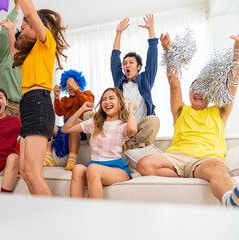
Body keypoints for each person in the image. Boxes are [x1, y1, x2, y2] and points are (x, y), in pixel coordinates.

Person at [137, 33, 239, 207]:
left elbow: (233, 82)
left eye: (202, 89)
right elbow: (174, 84)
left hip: (206, 159)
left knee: (219, 170)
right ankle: (186, 176)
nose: (198, 92)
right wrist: (168, 50)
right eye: (194, 88)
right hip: (176, 157)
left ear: (211, 93)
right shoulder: (181, 110)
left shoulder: (220, 111)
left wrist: (237, 49)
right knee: (144, 163)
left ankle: (230, 199)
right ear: (190, 92)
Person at [0, 0, 69, 196]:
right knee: (26, 171)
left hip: (39, 104)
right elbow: (13, 54)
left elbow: (29, 11)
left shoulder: (46, 43)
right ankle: (39, 215)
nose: (22, 31)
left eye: (24, 27)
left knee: (33, 173)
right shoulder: (29, 55)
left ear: (38, 24)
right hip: (28, 106)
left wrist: (20, 5)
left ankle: (50, 221)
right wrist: (11, 30)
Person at [61, 88, 137, 199]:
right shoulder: (94, 123)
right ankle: (76, 212)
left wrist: (131, 110)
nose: (107, 102)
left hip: (116, 168)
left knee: (92, 168)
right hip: (94, 167)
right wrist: (81, 109)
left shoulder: (122, 126)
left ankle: (96, 214)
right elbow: (65, 129)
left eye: (111, 98)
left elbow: (132, 130)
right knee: (77, 169)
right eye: (104, 99)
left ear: (120, 104)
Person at [111, 14, 160, 149]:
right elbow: (115, 57)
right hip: (121, 129)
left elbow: (152, 57)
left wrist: (151, 29)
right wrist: (118, 32)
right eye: (125, 63)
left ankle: (137, 148)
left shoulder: (145, 79)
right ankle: (126, 146)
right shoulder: (118, 80)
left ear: (139, 67)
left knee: (154, 120)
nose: (127, 65)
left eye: (131, 62)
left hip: (139, 129)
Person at [48, 70, 94, 171]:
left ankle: (72, 159)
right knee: (47, 124)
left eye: (73, 83)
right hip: (65, 129)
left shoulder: (87, 94)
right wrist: (56, 97)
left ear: (79, 83)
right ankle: (48, 157)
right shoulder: (64, 100)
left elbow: (87, 104)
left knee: (73, 120)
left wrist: (76, 89)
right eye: (68, 85)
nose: (71, 87)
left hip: (80, 129)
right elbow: (59, 112)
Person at [0, 0, 22, 117]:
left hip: (25, 106)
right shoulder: (5, 54)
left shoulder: (28, 59)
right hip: (6, 105)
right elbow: (5, 32)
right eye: (20, 38)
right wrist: (17, 7)